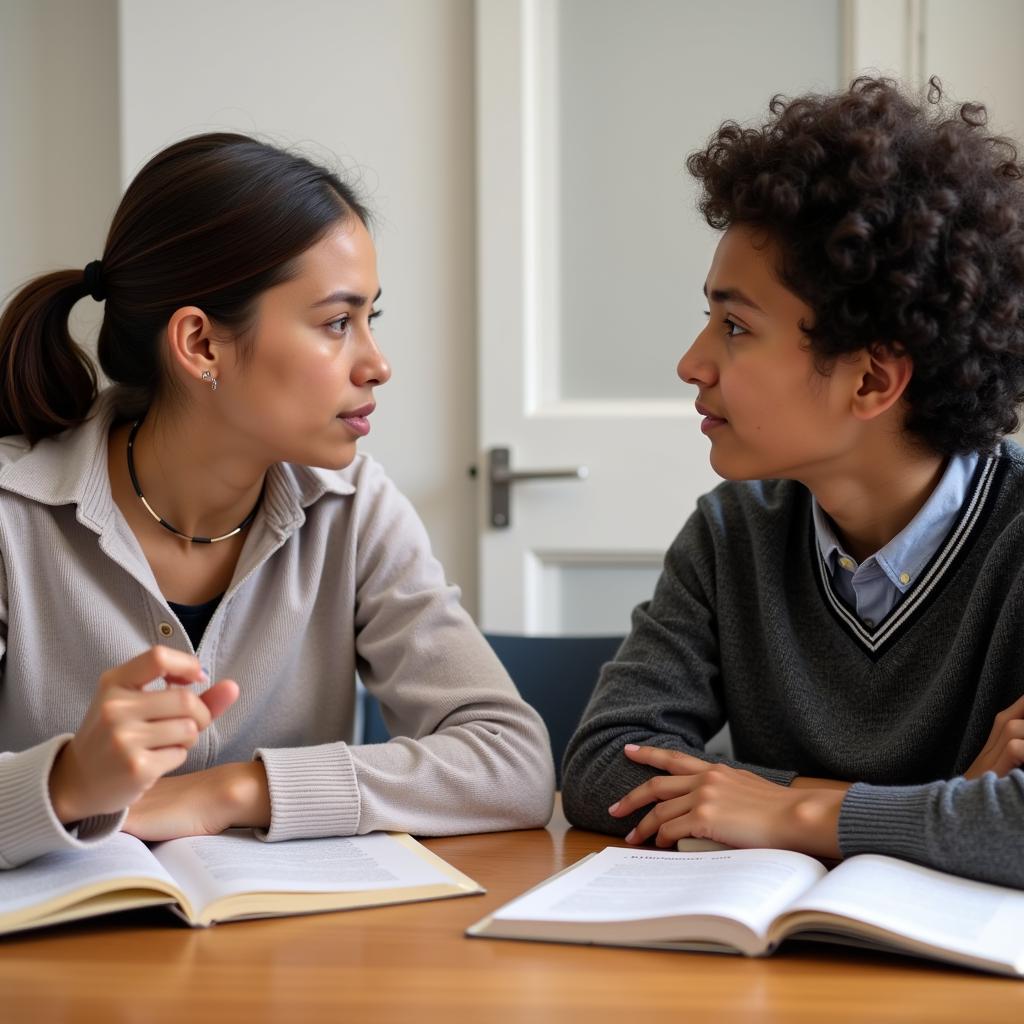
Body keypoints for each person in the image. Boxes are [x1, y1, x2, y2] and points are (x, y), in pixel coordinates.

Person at [0, 132, 554, 870]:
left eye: (370, 319)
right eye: (335, 323)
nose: (377, 364)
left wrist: (234, 791)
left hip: (287, 966)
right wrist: (67, 783)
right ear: (201, 345)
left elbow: (510, 763)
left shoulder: (355, 508)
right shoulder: (13, 514)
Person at [561, 77, 1024, 888]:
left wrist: (789, 812)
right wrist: (941, 807)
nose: (691, 363)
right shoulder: (731, 530)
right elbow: (603, 769)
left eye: (735, 327)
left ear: (872, 381)